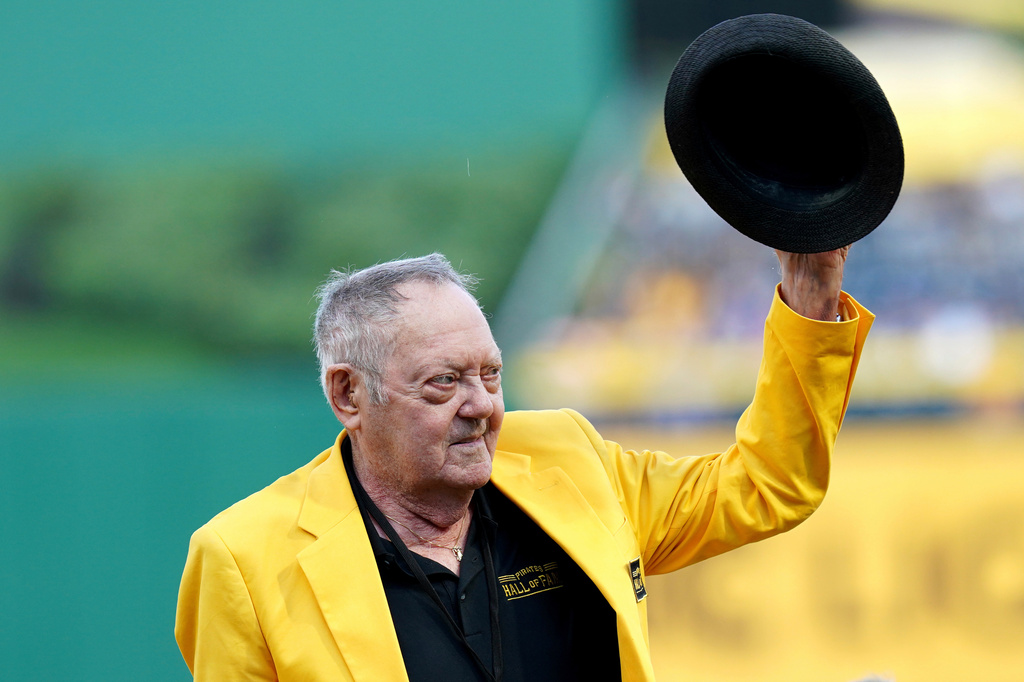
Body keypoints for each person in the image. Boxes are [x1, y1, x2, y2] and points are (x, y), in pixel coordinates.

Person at [175, 248, 872, 681]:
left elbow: (768, 487)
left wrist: (811, 292)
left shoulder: (568, 458)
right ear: (348, 394)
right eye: (444, 383)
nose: (481, 407)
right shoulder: (243, 559)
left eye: (492, 374)